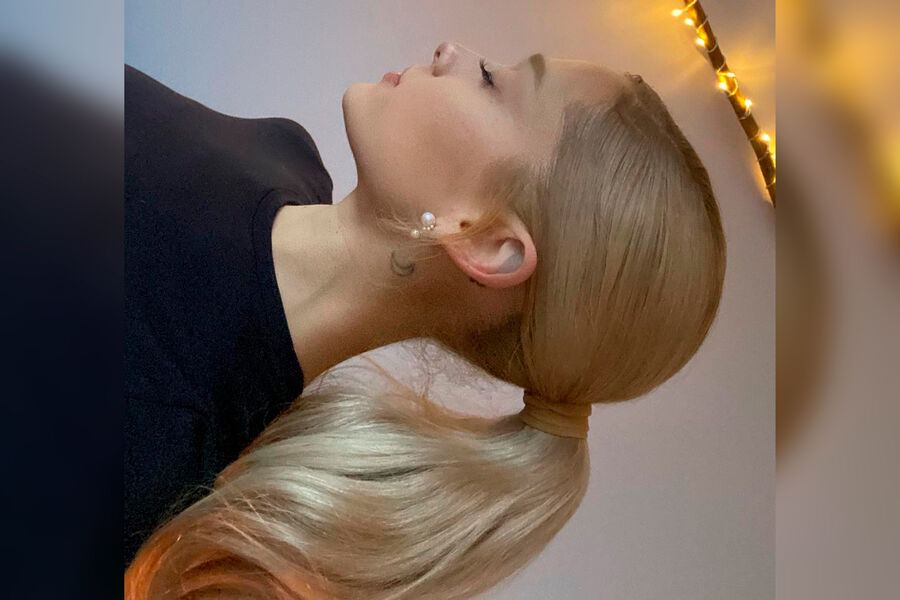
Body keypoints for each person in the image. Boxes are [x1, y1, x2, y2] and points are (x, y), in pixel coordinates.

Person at [125, 41, 726, 599]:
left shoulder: (148, 433)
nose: (451, 52)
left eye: (491, 80)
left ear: (488, 242)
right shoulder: (286, 156)